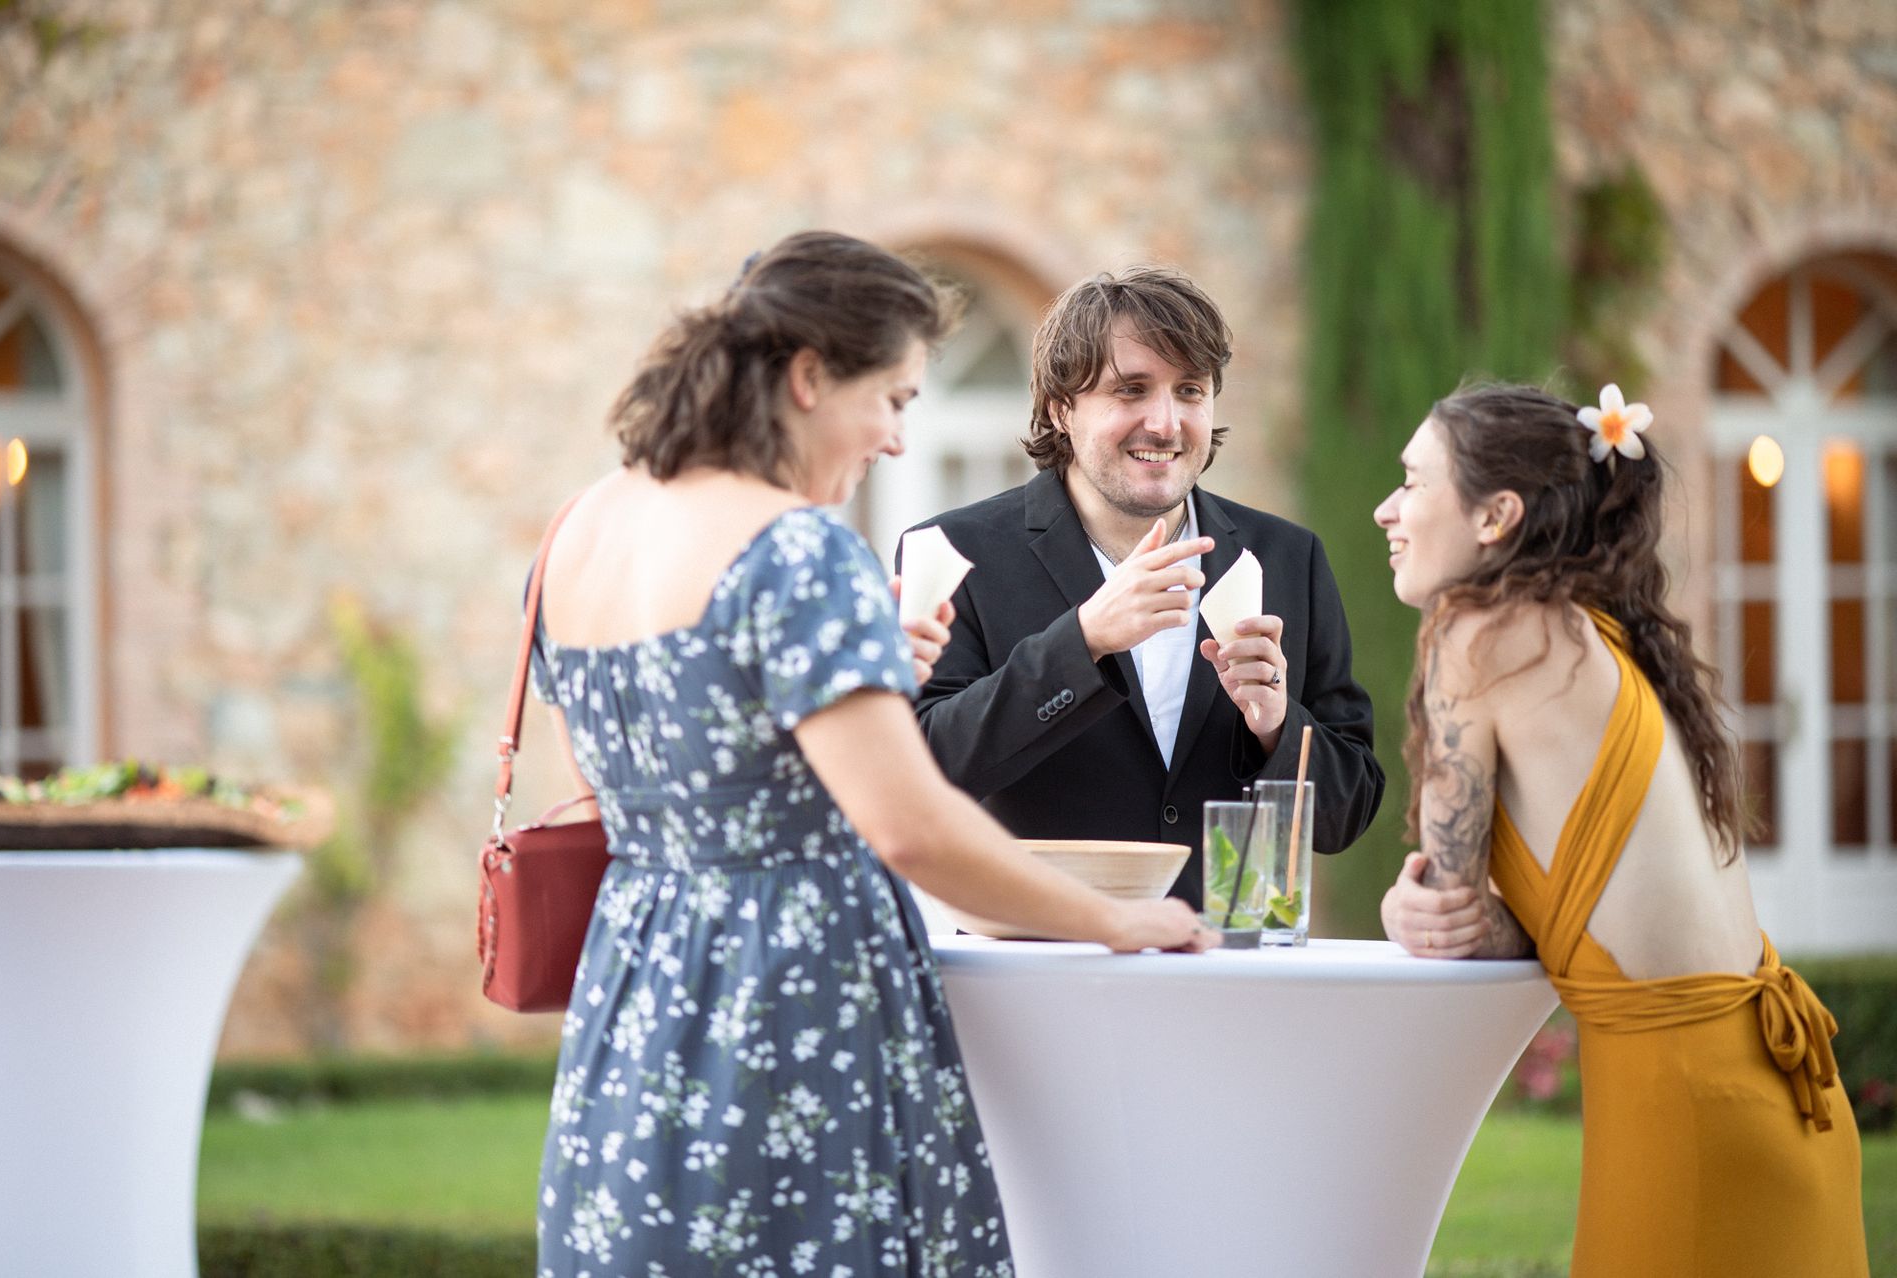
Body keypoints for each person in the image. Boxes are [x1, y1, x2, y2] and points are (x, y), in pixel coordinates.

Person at [524, 232, 1216, 1276]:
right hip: (791, 1005)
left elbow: (629, 773)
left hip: (642, 986)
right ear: (808, 379)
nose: (898, 441)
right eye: (892, 400)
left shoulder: (582, 524)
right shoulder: (795, 548)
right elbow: (907, 825)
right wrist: (1117, 919)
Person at [1374, 383, 1868, 1277]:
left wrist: (1411, 911)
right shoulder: (1599, 633)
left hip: (1684, 1115)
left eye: (1411, 482)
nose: (1386, 509)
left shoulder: (1477, 633)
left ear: (1497, 515)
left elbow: (1453, 914)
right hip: (1783, 1101)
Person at [904, 266, 1382, 909]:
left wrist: (1276, 728)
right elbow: (922, 775)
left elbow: (1345, 815)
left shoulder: (1286, 558)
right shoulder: (957, 553)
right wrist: (1082, 641)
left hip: (1229, 970)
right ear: (1060, 409)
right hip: (1039, 964)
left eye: (1190, 390)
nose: (1165, 422)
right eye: (1130, 390)